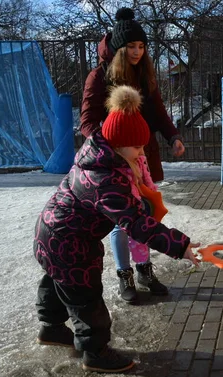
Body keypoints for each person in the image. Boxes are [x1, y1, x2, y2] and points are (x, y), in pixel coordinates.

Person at [35, 85, 199, 373]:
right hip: (69, 241)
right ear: (119, 145)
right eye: (136, 147)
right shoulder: (106, 179)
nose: (140, 153)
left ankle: (51, 328)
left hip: (51, 231)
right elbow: (136, 224)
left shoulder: (97, 155)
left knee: (57, 278)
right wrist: (180, 246)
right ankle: (95, 352)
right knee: (85, 295)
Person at [80, 7, 185, 302]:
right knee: (121, 222)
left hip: (142, 157)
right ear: (118, 48)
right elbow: (87, 123)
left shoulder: (144, 75)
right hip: (112, 162)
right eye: (131, 46)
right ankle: (124, 276)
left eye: (142, 46)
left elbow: (159, 112)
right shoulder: (98, 77)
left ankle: (144, 271)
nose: (138, 52)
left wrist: (173, 136)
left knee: (145, 214)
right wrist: (110, 145)